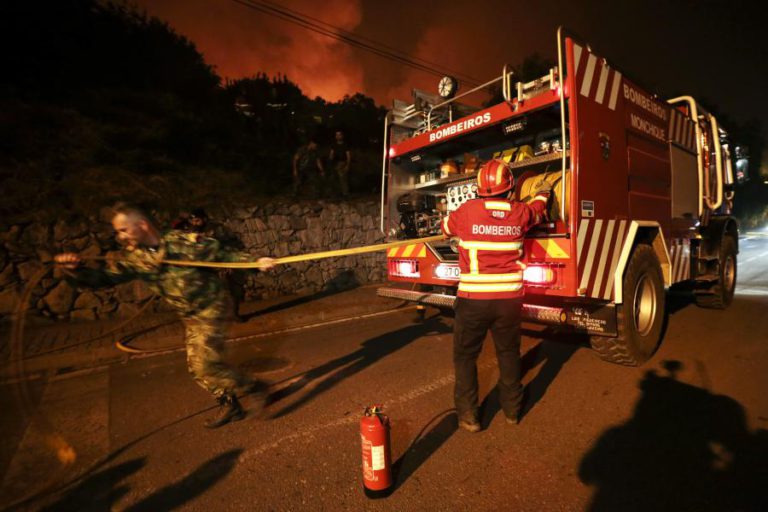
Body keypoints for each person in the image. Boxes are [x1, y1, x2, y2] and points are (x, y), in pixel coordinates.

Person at [54, 203, 276, 429]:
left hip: (212, 307)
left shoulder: (182, 243)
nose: (119, 236)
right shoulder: (136, 258)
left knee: (205, 365)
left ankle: (256, 387)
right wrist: (75, 271)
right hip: (189, 314)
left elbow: (223, 254)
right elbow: (104, 278)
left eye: (123, 230)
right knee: (197, 369)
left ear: (142, 225)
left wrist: (256, 263)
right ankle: (230, 405)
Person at [441, 159, 551, 432]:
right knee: (508, 353)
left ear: (479, 188)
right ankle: (512, 411)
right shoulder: (520, 212)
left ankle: (469, 416)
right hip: (508, 301)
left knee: (466, 357)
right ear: (510, 187)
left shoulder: (466, 211)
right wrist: (543, 193)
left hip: (473, 301)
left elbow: (445, 228)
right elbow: (538, 210)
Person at [184, 208, 249, 323]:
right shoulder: (189, 232)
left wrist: (229, 262)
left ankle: (233, 314)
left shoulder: (217, 229)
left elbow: (232, 243)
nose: (195, 223)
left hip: (222, 264)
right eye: (192, 221)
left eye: (197, 220)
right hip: (203, 267)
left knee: (232, 290)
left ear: (204, 219)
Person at [328, 130, 351, 196]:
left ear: (342, 136)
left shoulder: (345, 145)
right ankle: (336, 192)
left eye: (339, 135)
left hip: (342, 163)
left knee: (343, 178)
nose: (338, 136)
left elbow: (348, 156)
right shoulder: (333, 144)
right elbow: (331, 154)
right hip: (335, 163)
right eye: (336, 135)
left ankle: (345, 193)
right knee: (334, 178)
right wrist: (330, 161)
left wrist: (347, 165)